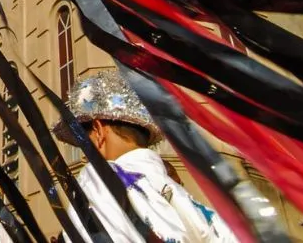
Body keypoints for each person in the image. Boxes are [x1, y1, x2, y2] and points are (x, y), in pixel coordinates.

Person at [54, 70, 237, 243]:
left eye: (84, 142)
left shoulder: (98, 182)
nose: (86, 154)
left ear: (98, 130)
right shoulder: (183, 198)